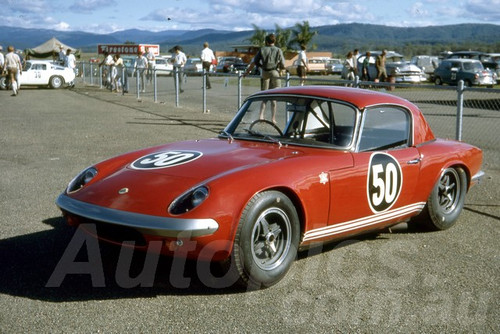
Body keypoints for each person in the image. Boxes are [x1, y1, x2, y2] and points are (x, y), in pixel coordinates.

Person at [244, 34, 285, 123]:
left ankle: (261, 116)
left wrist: (260, 66)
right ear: (275, 41)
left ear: (266, 41)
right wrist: (280, 68)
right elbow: (283, 63)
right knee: (274, 95)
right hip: (274, 72)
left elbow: (255, 61)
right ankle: (273, 118)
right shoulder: (278, 50)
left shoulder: (262, 50)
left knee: (264, 94)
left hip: (265, 72)